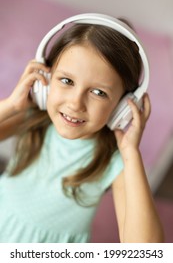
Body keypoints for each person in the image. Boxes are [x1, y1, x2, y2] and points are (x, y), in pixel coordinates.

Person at [0, 19, 164, 243]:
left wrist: (131, 154)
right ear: (45, 81)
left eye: (98, 92)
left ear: (122, 106)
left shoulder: (116, 161)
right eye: (66, 80)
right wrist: (10, 105)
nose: (76, 104)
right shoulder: (32, 117)